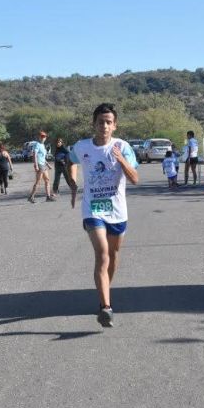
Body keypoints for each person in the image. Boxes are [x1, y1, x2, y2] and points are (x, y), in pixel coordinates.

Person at [68, 103, 139, 327]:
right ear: (94, 124)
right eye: (101, 122)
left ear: (115, 125)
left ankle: (104, 291)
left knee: (114, 255)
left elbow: (135, 178)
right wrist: (73, 183)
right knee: (102, 253)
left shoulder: (123, 146)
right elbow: (70, 160)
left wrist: (121, 159)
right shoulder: (82, 146)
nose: (104, 126)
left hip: (117, 210)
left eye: (109, 122)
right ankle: (106, 307)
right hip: (93, 209)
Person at [27, 131, 55, 203]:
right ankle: (31, 197)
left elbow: (42, 157)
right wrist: (36, 165)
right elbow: (35, 155)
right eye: (41, 136)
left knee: (47, 180)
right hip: (39, 164)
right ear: (39, 137)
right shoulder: (37, 144)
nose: (43, 138)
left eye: (44, 137)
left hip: (43, 164)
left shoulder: (43, 145)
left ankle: (48, 197)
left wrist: (48, 164)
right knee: (38, 181)